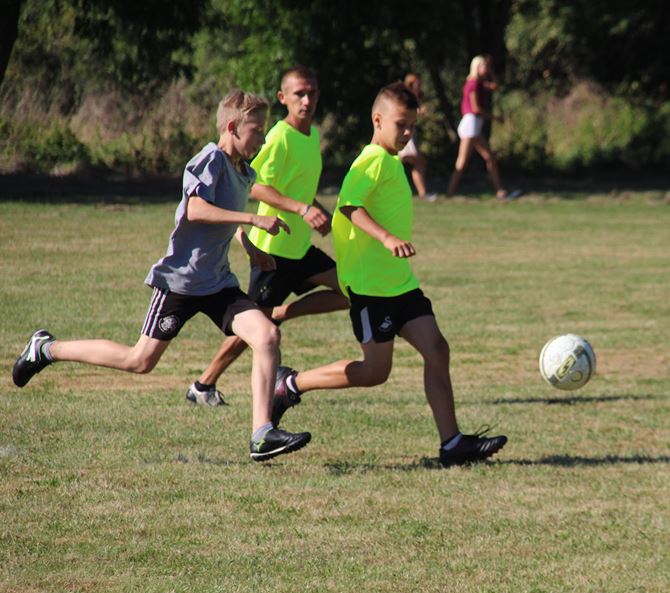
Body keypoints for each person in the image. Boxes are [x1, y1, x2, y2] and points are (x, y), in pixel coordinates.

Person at [12, 90, 312, 462]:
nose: (263, 138)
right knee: (140, 361)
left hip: (218, 283)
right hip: (181, 283)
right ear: (233, 127)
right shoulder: (210, 159)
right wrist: (253, 218)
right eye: (256, 130)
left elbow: (226, 219)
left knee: (267, 335)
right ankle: (46, 348)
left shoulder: (243, 172)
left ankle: (262, 434)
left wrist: (251, 247)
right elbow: (197, 210)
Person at [270, 82, 508, 467]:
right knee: (375, 372)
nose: (408, 132)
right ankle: (290, 385)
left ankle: (452, 444)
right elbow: (349, 207)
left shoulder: (391, 160)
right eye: (401, 124)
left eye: (413, 125)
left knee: (437, 349)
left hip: (399, 283)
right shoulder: (371, 161)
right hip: (370, 289)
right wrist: (387, 237)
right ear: (377, 120)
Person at [186, 65, 349, 407]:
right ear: (283, 98)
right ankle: (203, 385)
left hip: (300, 246)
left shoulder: (312, 135)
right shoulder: (276, 136)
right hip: (272, 251)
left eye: (313, 93)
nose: (307, 100)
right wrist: (304, 209)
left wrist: (319, 211)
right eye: (299, 94)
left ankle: (281, 312)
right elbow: (256, 186)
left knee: (351, 289)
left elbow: (297, 189)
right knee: (250, 331)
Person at [446, 55, 516, 199]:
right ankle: (450, 193)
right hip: (471, 125)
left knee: (489, 157)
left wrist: (490, 72)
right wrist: (495, 118)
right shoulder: (473, 84)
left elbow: (496, 86)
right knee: (463, 161)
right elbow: (476, 108)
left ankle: (499, 190)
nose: (485, 68)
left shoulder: (480, 83)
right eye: (483, 66)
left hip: (474, 125)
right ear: (476, 67)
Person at [397, 73, 436, 201]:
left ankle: (422, 193)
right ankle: (421, 193)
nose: (419, 85)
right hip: (404, 134)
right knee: (415, 162)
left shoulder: (415, 97)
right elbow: (401, 113)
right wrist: (418, 112)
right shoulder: (405, 97)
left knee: (417, 163)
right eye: (416, 83)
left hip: (410, 134)